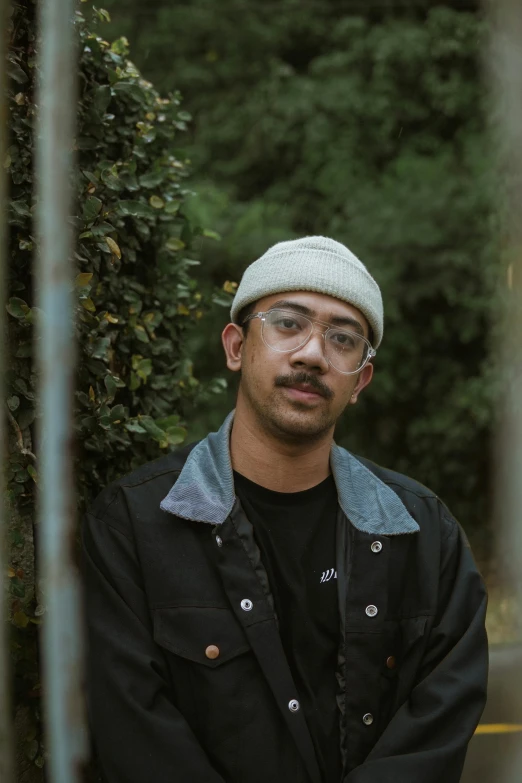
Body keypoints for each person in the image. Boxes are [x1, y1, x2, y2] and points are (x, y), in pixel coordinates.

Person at [83, 236, 488, 783]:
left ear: (360, 380)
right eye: (288, 323)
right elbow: (135, 736)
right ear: (235, 346)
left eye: (343, 339)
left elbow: (437, 723)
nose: (312, 354)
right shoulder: (132, 527)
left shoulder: (423, 533)